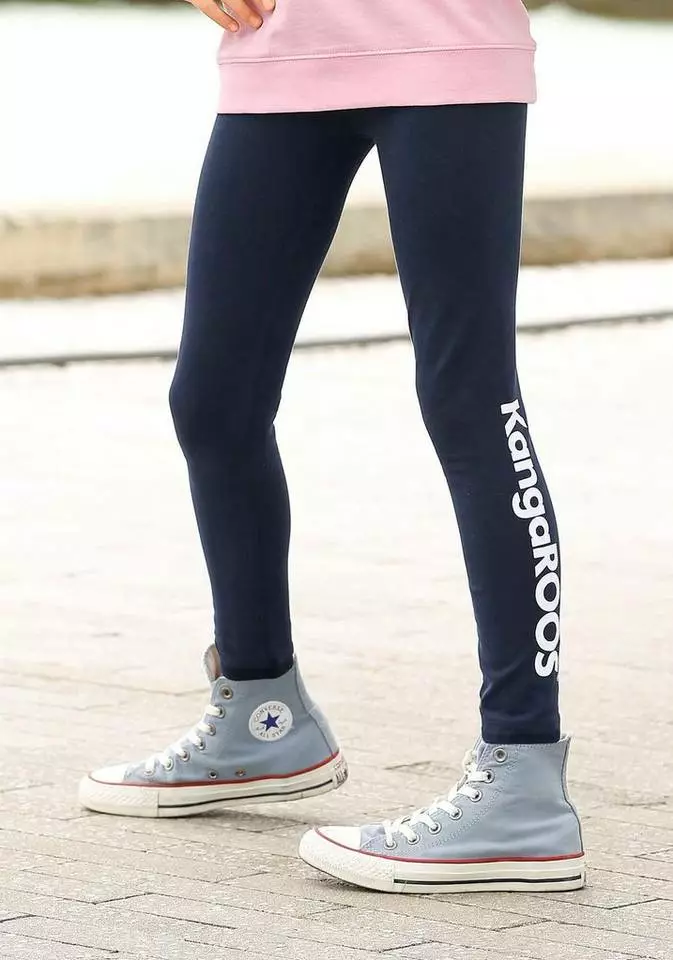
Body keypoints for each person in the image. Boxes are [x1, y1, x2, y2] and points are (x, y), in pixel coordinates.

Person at [79, 0, 585, 894]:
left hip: (445, 49)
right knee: (213, 400)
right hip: (279, 54)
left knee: (469, 400)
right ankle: (260, 710)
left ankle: (524, 779)